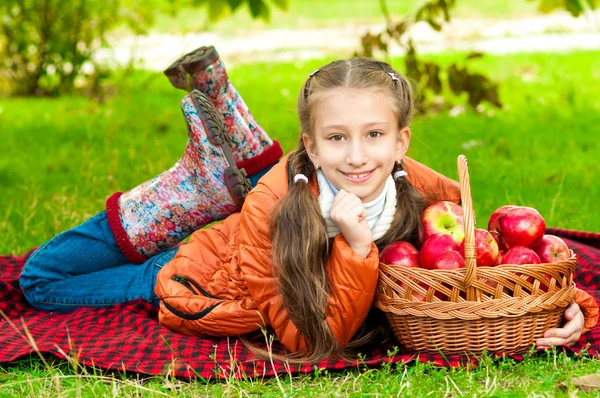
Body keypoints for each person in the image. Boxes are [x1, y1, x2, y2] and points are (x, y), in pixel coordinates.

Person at [20, 56, 597, 362]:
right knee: (41, 281)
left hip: (244, 225)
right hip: (208, 270)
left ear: (401, 142)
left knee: (42, 280)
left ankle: (224, 178)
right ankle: (184, 193)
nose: (358, 156)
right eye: (337, 139)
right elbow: (303, 337)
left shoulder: (415, 184)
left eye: (374, 135)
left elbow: (499, 251)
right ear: (310, 144)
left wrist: (568, 303)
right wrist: (357, 248)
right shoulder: (275, 209)